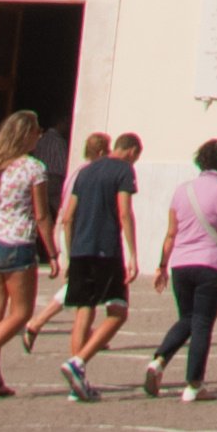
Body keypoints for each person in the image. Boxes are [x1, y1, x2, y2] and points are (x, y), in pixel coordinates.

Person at [140, 140, 217, 403]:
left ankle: (158, 360)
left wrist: (161, 266)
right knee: (202, 322)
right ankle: (193, 384)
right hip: (211, 264)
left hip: (181, 263)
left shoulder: (182, 191)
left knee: (187, 319)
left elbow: (171, 233)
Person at [0, 108, 52, 395]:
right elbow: (41, 214)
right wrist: (52, 252)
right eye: (36, 130)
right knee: (21, 313)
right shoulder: (32, 167)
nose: (39, 135)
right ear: (26, 134)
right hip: (16, 242)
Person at [57, 129, 137, 396]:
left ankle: (75, 383)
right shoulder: (123, 170)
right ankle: (78, 362)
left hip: (80, 249)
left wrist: (69, 254)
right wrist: (133, 253)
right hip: (106, 250)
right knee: (118, 312)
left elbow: (68, 216)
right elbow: (124, 211)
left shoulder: (85, 171)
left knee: (84, 311)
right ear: (131, 152)